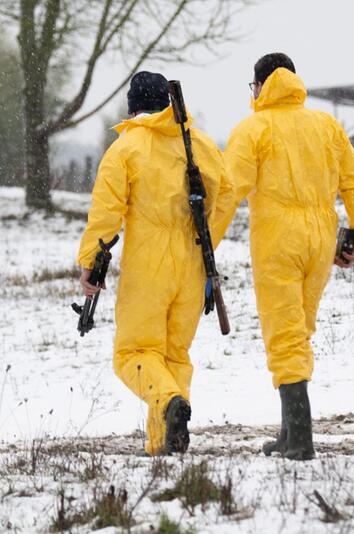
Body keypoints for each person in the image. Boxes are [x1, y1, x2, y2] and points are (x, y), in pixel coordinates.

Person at [222, 53, 354, 461]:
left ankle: (300, 439)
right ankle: (290, 431)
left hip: (277, 240)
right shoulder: (325, 125)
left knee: (285, 334)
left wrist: (204, 244)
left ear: (259, 86)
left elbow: (227, 192)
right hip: (321, 238)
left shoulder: (253, 129)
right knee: (299, 328)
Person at [76, 71, 232, 456]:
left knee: (132, 354)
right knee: (173, 355)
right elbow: (226, 192)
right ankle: (163, 442)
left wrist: (89, 264)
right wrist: (204, 235)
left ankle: (168, 402)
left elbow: (105, 215)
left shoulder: (126, 149)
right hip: (193, 261)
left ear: (133, 107)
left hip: (149, 262)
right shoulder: (198, 144)